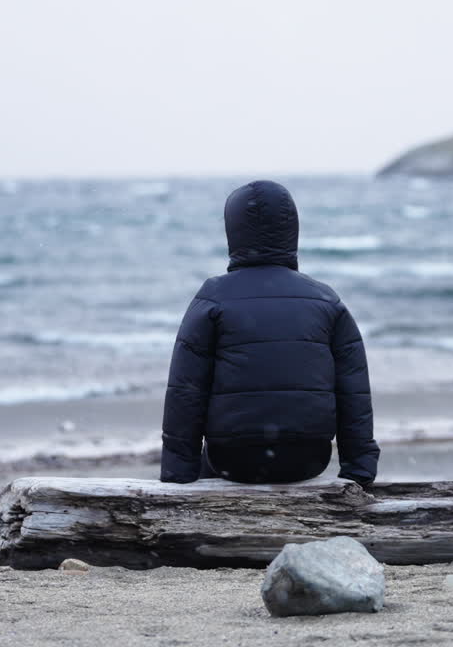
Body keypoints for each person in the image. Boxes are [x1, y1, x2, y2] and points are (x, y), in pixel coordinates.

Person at [159, 180, 380, 485]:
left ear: (232, 231)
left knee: (209, 467)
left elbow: (186, 391)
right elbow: (353, 391)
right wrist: (359, 469)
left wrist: (176, 473)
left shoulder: (213, 297)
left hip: (232, 461)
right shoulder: (326, 300)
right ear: (292, 230)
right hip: (308, 460)